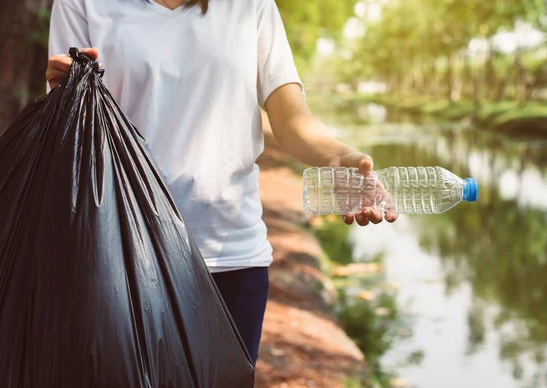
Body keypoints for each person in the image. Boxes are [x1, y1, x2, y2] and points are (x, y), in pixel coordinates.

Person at [46, 0, 397, 366]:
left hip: (231, 257)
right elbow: (71, 128)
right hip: (121, 256)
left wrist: (339, 159)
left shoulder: (251, 6)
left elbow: (292, 119)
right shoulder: (83, 4)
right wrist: (62, 96)